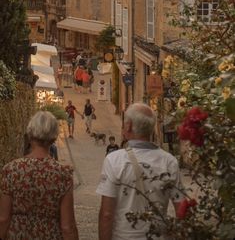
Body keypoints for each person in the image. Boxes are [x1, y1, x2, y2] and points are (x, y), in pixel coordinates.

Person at [97, 103, 184, 240]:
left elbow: (107, 214)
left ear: (129, 126)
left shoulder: (114, 160)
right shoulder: (169, 161)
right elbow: (182, 210)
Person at [0, 111, 79, 240]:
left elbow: (3, 219)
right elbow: (68, 227)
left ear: (30, 135)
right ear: (54, 138)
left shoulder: (11, 170)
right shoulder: (63, 174)